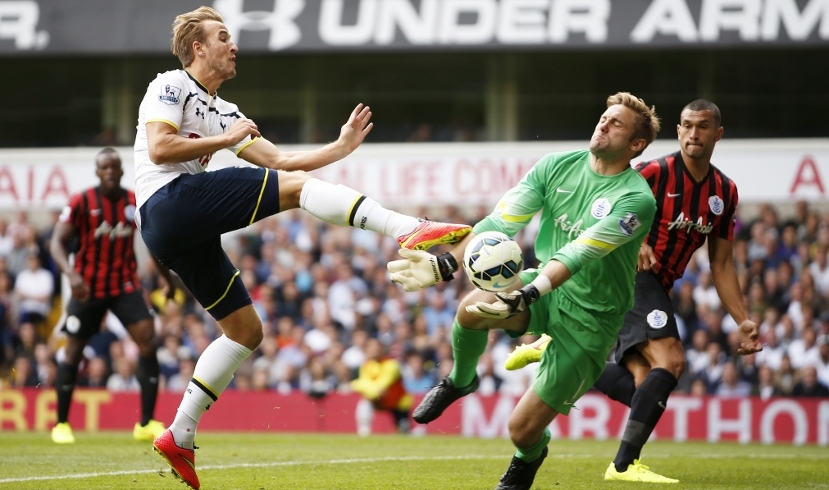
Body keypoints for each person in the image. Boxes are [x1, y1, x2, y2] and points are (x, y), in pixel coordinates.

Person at [139, 7, 470, 490]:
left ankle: (180, 434)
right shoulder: (170, 85)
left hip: (178, 230)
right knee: (296, 191)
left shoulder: (225, 110)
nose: (233, 45)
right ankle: (407, 228)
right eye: (223, 37)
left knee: (245, 332)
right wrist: (226, 139)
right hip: (165, 202)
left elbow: (280, 160)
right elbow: (160, 149)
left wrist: (339, 147)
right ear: (198, 48)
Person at [389, 92, 660, 490]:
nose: (604, 123)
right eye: (604, 117)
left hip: (592, 318)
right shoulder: (555, 166)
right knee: (470, 310)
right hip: (545, 288)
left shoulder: (637, 199)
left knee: (521, 430)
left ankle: (529, 457)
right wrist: (447, 264)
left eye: (616, 123)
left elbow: (579, 252)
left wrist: (529, 293)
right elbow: (500, 222)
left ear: (636, 144)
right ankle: (461, 380)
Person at [504, 100, 763, 482]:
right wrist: (635, 241)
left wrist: (742, 319)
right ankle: (623, 465)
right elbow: (611, 200)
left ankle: (564, 349)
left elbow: (721, 263)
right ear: (678, 130)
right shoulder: (655, 172)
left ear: (718, 134)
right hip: (629, 277)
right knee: (671, 361)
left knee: (645, 384)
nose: (694, 133)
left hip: (658, 286)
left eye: (704, 126)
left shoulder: (724, 192)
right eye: (688, 125)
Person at [49, 148, 173, 444]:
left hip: (123, 285)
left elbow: (153, 242)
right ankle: (61, 424)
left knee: (148, 340)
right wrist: (71, 275)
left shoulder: (133, 201)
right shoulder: (82, 201)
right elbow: (56, 243)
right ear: (97, 171)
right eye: (104, 167)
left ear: (121, 171)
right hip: (87, 287)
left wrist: (166, 280)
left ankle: (146, 422)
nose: (109, 171)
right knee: (73, 351)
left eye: (114, 167)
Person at [351, 338, 413, 436]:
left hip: (397, 402)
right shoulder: (366, 365)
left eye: (376, 347)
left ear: (382, 349)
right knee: (364, 403)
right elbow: (371, 387)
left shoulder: (392, 364)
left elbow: (379, 385)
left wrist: (357, 384)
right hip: (378, 400)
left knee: (403, 431)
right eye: (371, 347)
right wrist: (364, 387)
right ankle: (364, 433)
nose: (374, 350)